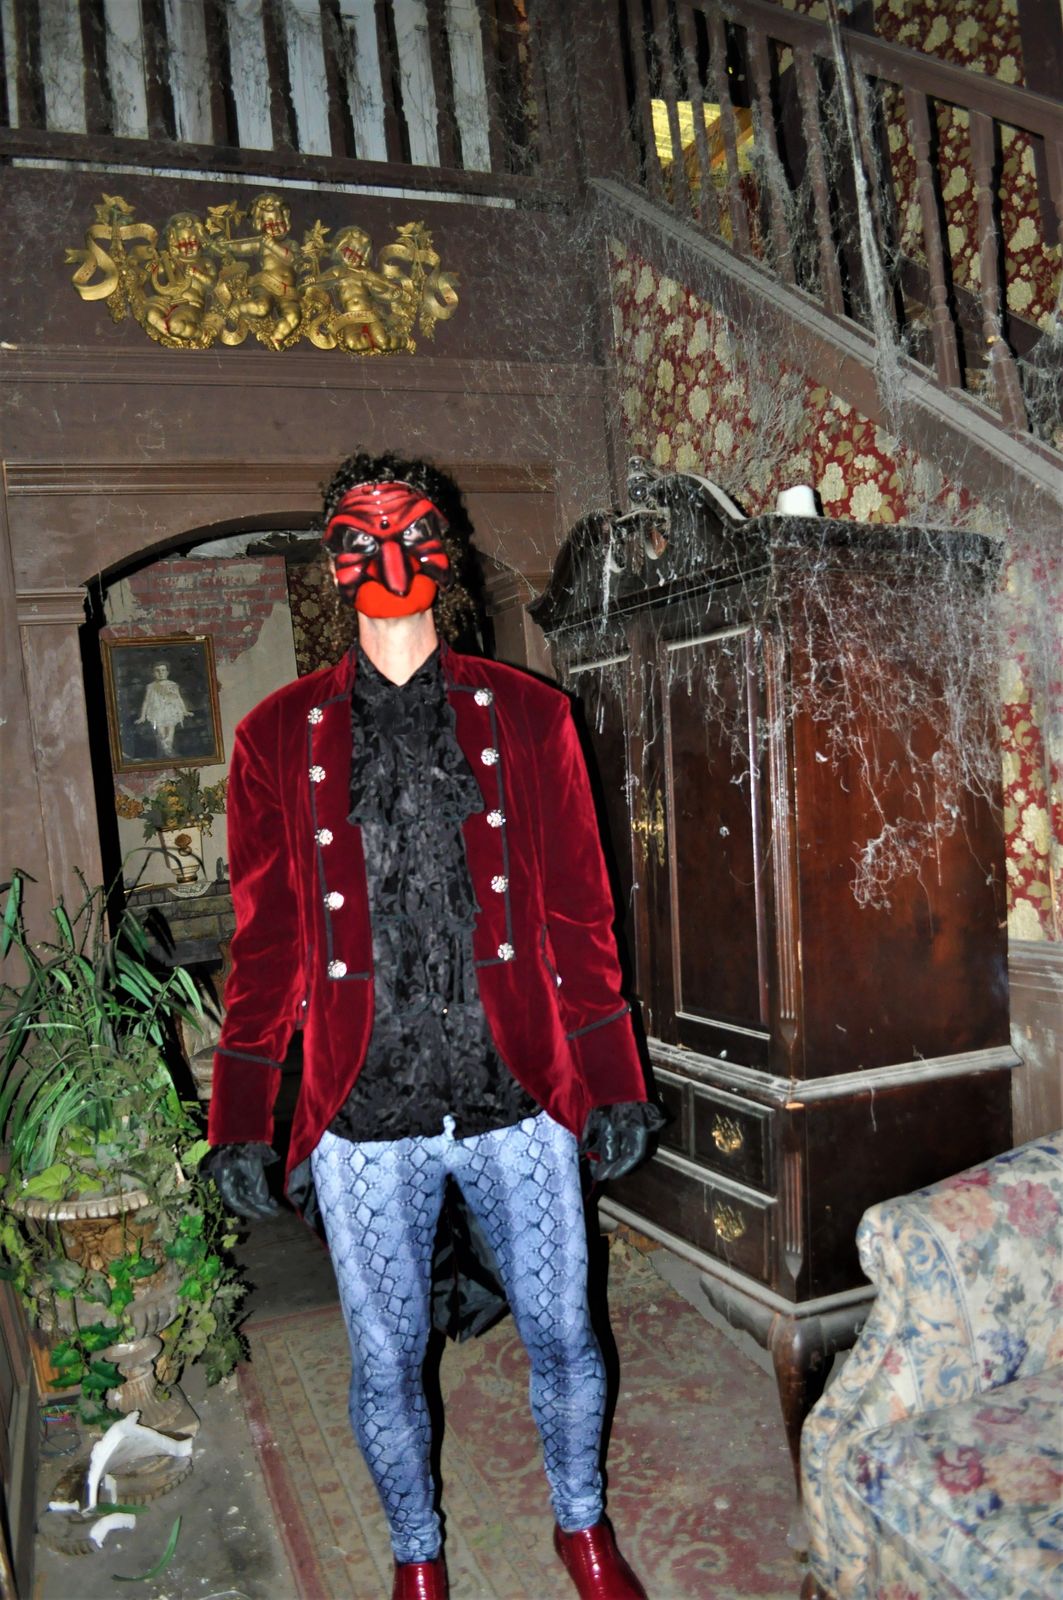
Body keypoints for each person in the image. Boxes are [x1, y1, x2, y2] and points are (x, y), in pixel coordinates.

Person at [206, 452, 662, 1600]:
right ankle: (417, 1554)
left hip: (518, 1090)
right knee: (385, 1359)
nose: (387, 554)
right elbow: (265, 946)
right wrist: (241, 1114)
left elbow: (579, 916)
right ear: (332, 562)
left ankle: (581, 1528)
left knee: (563, 1331)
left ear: (444, 549)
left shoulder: (531, 715)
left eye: (409, 529)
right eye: (358, 536)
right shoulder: (274, 738)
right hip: (364, 1107)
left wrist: (613, 1079)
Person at [137, 662, 189, 756]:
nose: (160, 673)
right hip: (157, 712)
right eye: (157, 671)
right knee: (161, 734)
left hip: (170, 711)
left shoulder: (173, 685)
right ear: (153, 673)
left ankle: (169, 747)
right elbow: (146, 701)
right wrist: (142, 716)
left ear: (167, 672)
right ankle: (166, 749)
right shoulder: (151, 686)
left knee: (170, 731)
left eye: (163, 670)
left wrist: (184, 710)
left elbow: (179, 698)